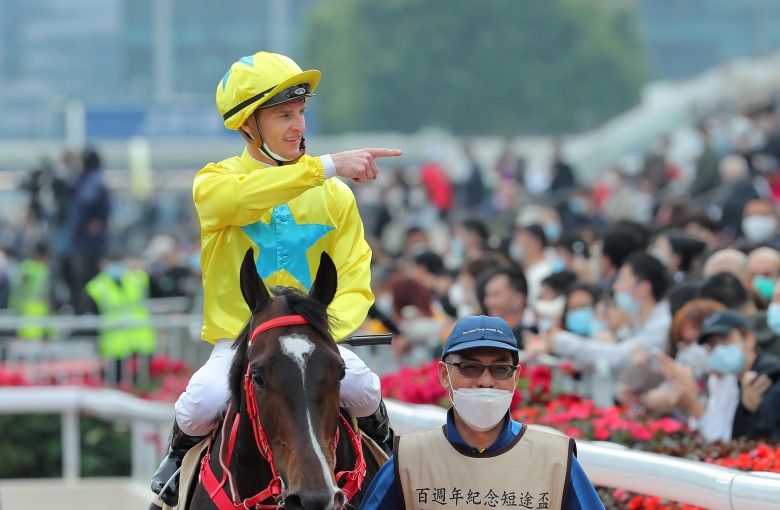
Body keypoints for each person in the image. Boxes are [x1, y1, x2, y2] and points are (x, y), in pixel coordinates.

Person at [150, 51, 402, 505]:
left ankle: (386, 453)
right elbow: (247, 195)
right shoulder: (214, 183)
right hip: (239, 342)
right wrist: (326, 166)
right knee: (200, 404)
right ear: (248, 125)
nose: (299, 126)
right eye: (284, 115)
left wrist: (322, 333)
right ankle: (175, 467)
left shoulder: (337, 196)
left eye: (302, 113)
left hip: (315, 340)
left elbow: (354, 275)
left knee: (364, 389)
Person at [359, 315, 605, 509]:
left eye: (500, 369)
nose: (486, 381)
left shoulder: (556, 459)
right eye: (470, 367)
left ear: (516, 376)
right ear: (445, 374)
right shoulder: (409, 460)